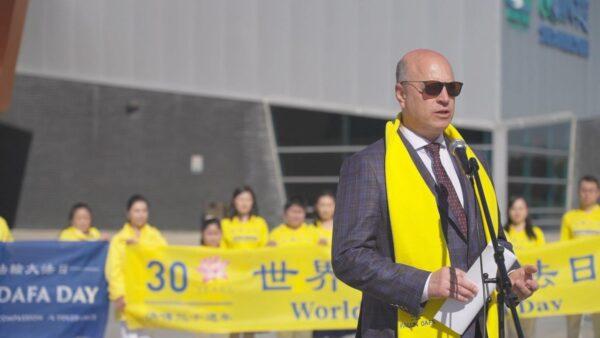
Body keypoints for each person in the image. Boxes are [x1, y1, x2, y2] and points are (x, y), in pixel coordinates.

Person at [332, 49, 538, 338]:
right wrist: (426, 283)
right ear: (401, 94)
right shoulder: (369, 165)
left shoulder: (471, 159)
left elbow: (494, 241)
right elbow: (348, 257)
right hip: (405, 326)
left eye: (452, 89)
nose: (445, 98)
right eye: (432, 88)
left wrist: (511, 279)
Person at [105, 194, 168, 338]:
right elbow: (113, 270)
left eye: (144, 211)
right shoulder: (119, 239)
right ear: (128, 214)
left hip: (149, 298)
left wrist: (139, 247)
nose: (140, 215)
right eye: (136, 211)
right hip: (128, 299)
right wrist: (118, 295)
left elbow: (165, 259)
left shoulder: (155, 236)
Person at [560, 175, 600, 338]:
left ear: (597, 193)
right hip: (575, 280)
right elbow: (562, 250)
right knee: (573, 328)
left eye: (591, 191)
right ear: (578, 192)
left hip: (598, 281)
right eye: (584, 190)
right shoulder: (569, 217)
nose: (587, 194)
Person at [503, 196, 545, 338]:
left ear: (526, 211)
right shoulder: (503, 234)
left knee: (528, 333)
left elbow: (545, 259)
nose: (517, 212)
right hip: (511, 291)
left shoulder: (536, 234)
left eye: (520, 208)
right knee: (511, 332)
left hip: (530, 291)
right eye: (514, 208)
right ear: (508, 211)